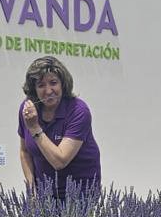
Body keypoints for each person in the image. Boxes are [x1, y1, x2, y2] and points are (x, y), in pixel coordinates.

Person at [17, 56, 101, 199]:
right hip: (44, 193)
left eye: (53, 83)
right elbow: (25, 152)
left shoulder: (78, 110)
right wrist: (31, 191)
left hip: (80, 194)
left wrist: (35, 128)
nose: (49, 91)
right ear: (34, 89)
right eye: (41, 85)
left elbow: (60, 161)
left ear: (63, 84)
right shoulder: (28, 110)